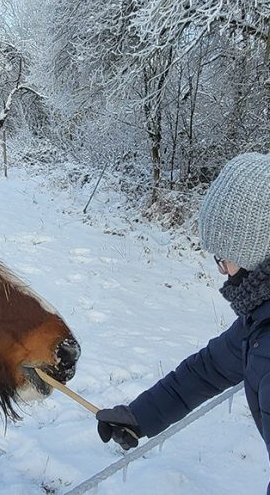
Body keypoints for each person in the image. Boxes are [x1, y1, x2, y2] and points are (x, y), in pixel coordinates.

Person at [96, 152, 270, 493]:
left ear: (255, 249)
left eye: (224, 257)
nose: (222, 270)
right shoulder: (259, 322)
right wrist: (140, 416)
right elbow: (208, 369)